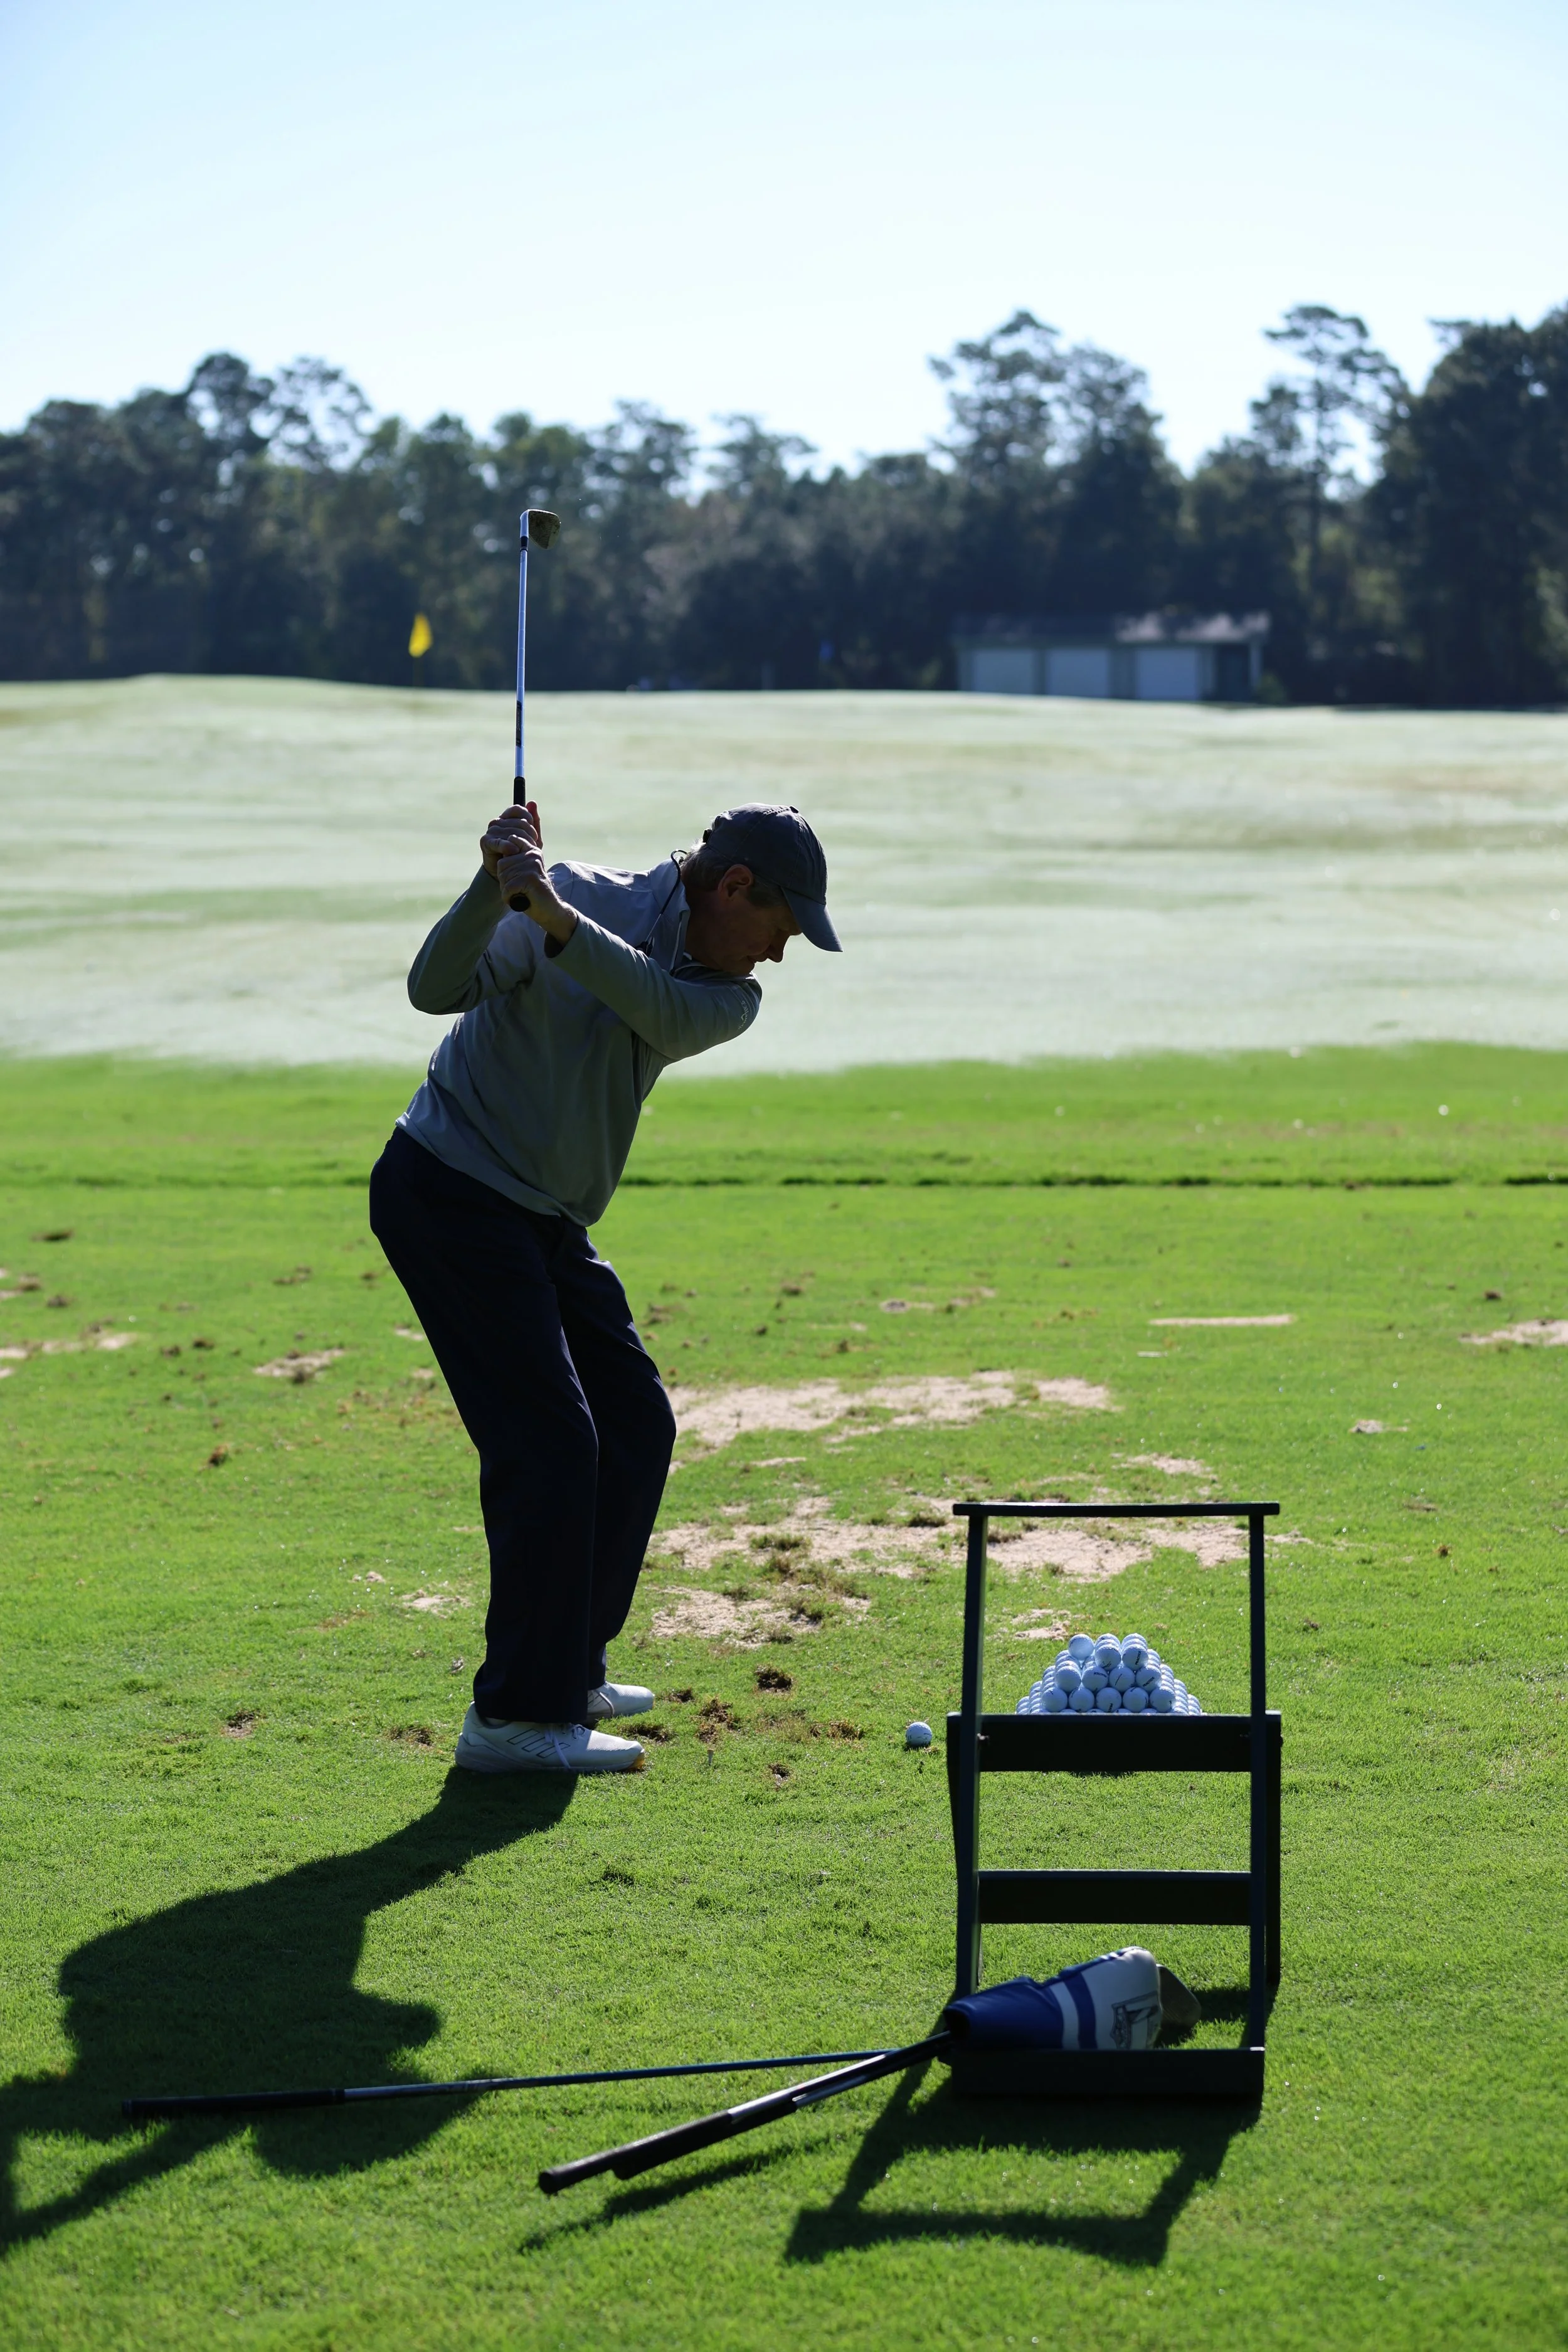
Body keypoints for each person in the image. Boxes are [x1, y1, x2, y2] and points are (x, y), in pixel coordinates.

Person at [369, 797, 840, 1775]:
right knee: (548, 1442)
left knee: (635, 1423)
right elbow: (433, 986)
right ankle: (513, 1718)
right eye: (780, 929)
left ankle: (568, 1664)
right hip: (449, 1188)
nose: (781, 955)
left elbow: (651, 1004)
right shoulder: (567, 891)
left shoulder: (724, 992)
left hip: (545, 1217)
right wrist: (490, 884)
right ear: (735, 886)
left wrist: (552, 921)